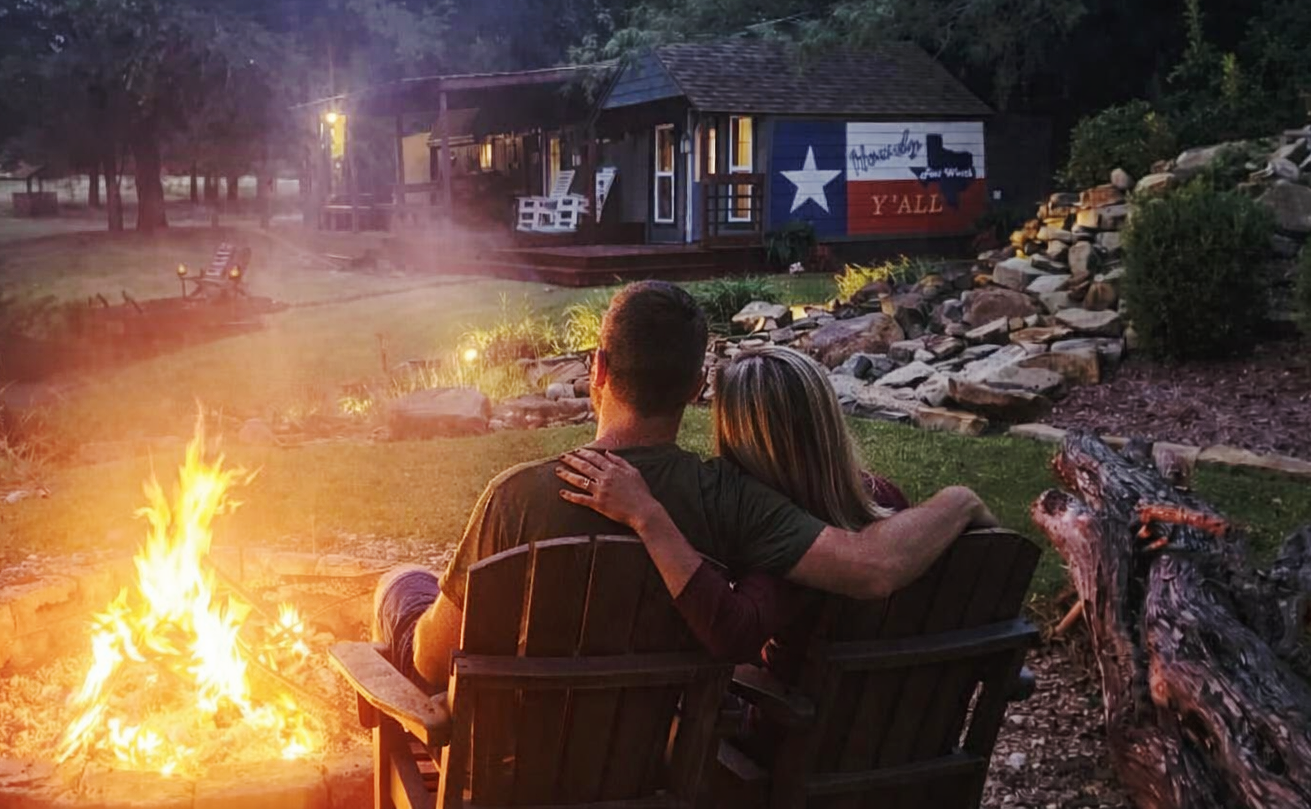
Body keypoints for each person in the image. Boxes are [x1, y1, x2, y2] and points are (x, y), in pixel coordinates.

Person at [372, 281, 996, 691]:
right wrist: (961, 497)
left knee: (399, 588)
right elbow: (866, 562)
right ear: (698, 387)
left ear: (598, 369)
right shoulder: (735, 498)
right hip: (651, 765)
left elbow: (431, 663)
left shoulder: (513, 498)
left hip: (516, 771)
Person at [555, 347, 918, 670]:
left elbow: (733, 634)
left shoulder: (785, 542)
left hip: (799, 714)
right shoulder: (886, 500)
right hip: (889, 710)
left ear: (741, 436)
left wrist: (648, 517)